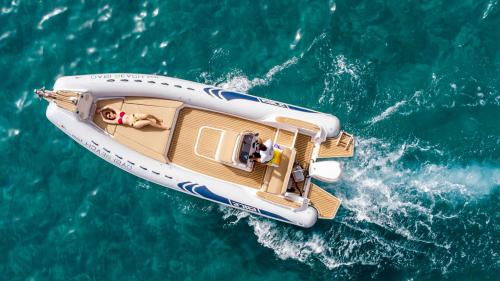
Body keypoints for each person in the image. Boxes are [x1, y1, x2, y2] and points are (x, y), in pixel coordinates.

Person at [96, 105, 169, 129]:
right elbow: (104, 120)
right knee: (149, 122)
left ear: (111, 112)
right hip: (133, 123)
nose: (110, 117)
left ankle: (158, 119)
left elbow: (109, 106)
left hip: (134, 116)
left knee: (147, 115)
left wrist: (101, 110)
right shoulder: (115, 121)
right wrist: (101, 114)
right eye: (109, 117)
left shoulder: (118, 112)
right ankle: (164, 127)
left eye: (109, 115)